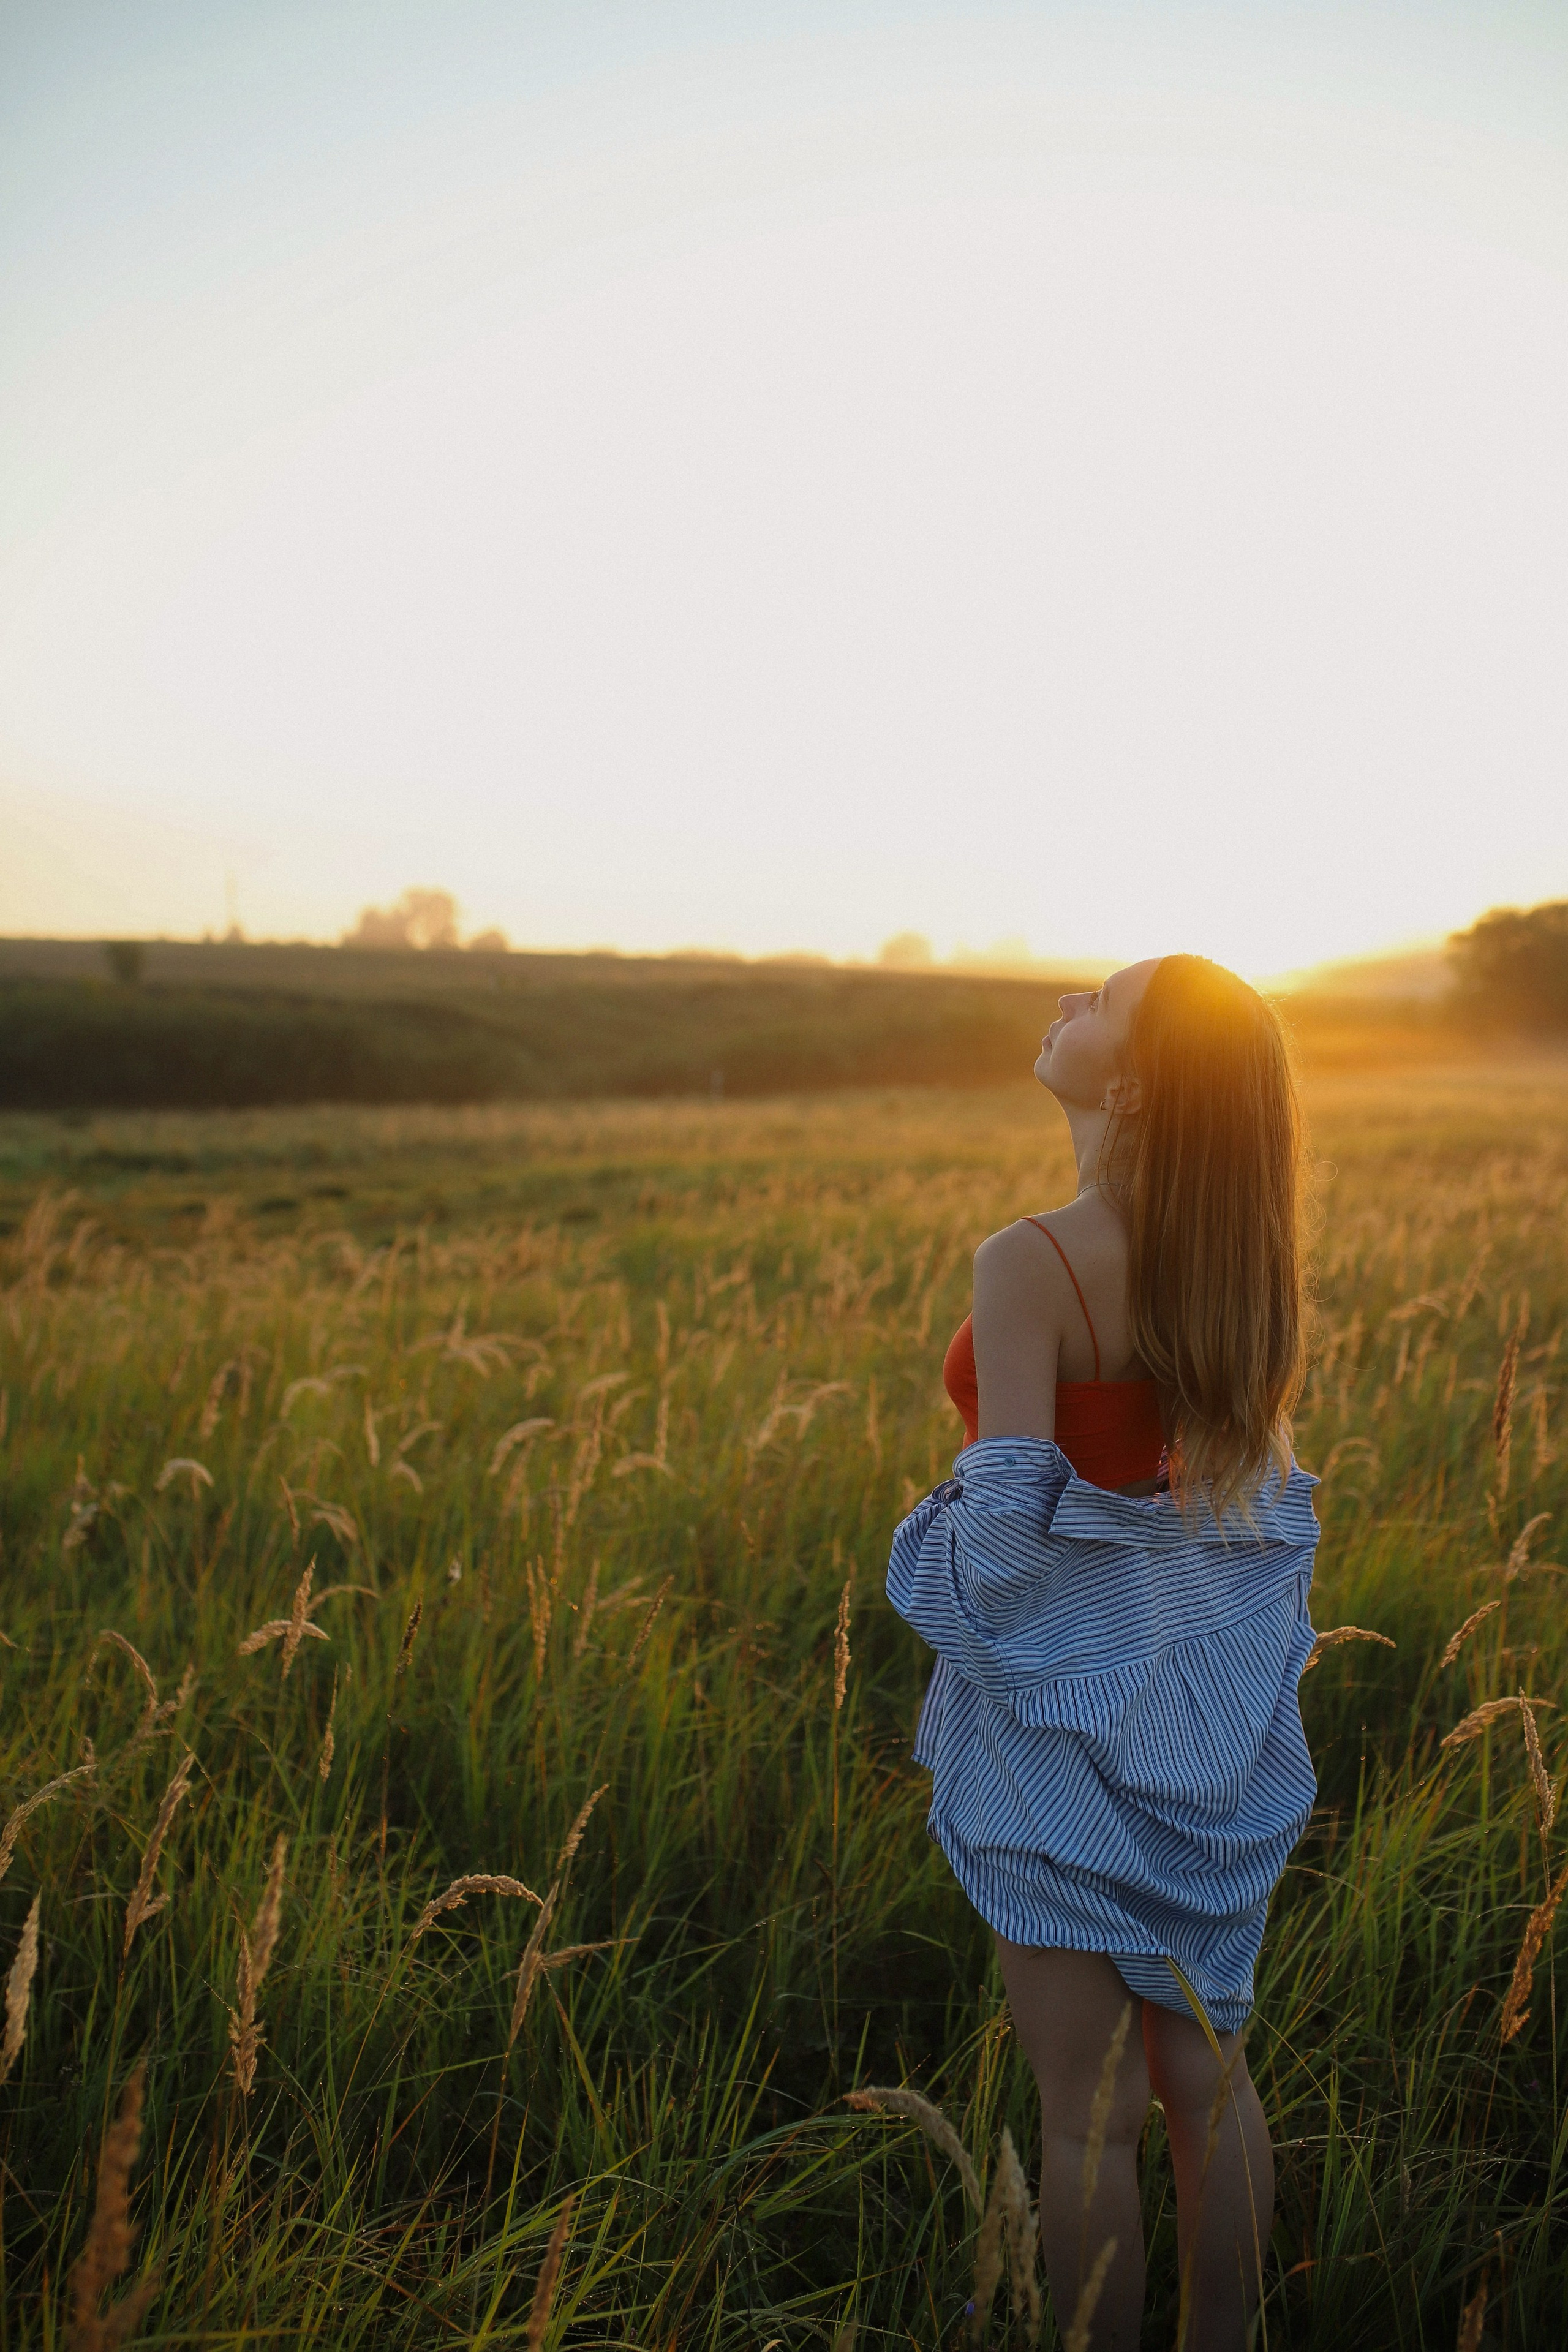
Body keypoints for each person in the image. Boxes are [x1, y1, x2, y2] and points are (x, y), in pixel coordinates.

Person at [887, 954, 1318, 2352]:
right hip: (1192, 1695)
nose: (1065, 999)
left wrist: (924, 1563)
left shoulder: (1031, 1260)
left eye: (1097, 1001)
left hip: (1056, 1716)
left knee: (1082, 2122)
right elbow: (1225, 1501)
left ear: (1127, 1082)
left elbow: (1007, 1533)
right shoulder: (1232, 1255)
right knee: (1207, 2076)